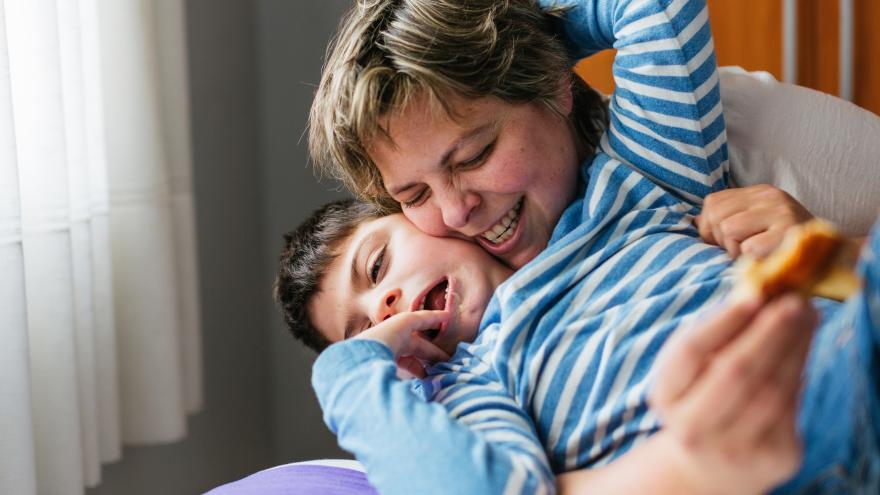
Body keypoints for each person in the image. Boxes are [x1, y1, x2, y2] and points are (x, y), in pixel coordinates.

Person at [302, 0, 878, 492]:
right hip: (803, 451)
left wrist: (530, 38)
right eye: (413, 193)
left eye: (474, 156)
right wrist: (347, 373)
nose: (455, 212)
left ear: (554, 86)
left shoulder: (638, 180)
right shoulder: (472, 382)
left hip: (845, 356)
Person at [276, 197, 877, 494]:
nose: (381, 308)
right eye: (365, 330)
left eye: (377, 264)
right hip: (809, 433)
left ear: (425, 214)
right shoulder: (468, 385)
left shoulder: (605, 213)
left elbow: (654, 19)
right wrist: (348, 372)